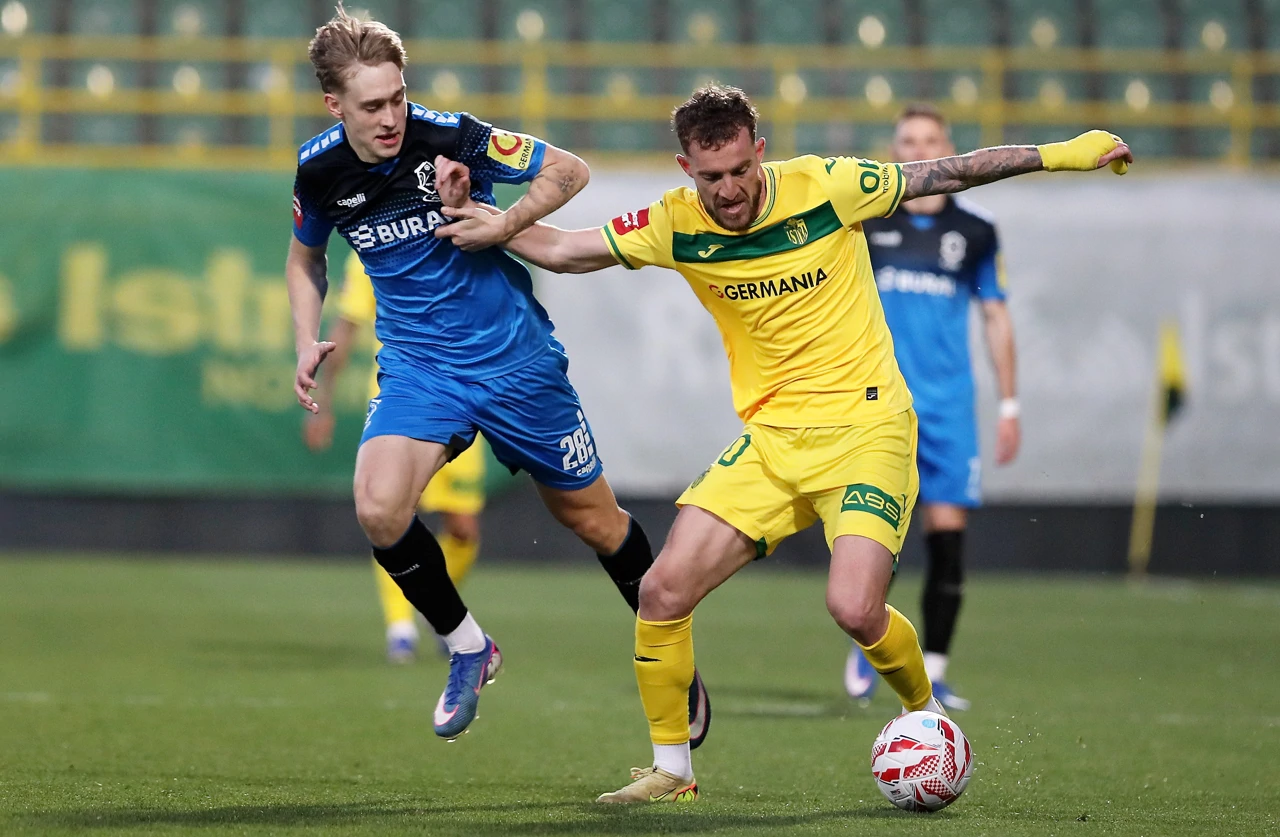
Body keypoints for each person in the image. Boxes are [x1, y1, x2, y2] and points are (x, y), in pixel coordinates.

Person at [437, 85, 1130, 802]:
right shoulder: (675, 223)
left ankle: (926, 715)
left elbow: (947, 174)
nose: (729, 189)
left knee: (854, 607)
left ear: (758, 150)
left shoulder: (827, 186)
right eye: (711, 177)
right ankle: (672, 769)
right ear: (685, 168)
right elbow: (563, 249)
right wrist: (488, 221)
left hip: (868, 429)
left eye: (740, 169)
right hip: (772, 443)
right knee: (662, 589)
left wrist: (1061, 154)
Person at [286, 5, 710, 746]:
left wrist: (502, 221)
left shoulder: (450, 135)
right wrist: (304, 338)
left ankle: (675, 661)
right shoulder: (319, 169)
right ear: (335, 106)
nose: (391, 117)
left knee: (595, 521)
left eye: (397, 97)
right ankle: (467, 646)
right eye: (372, 105)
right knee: (379, 507)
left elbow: (568, 171)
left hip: (515, 362)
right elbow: (305, 257)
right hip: (420, 366)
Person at [843, 104, 1020, 711]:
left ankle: (936, 672)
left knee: (947, 539)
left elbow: (995, 316)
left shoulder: (975, 230)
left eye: (930, 139)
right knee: (870, 535)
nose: (918, 147)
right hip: (877, 405)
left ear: (949, 148)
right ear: (893, 151)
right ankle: (867, 641)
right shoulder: (865, 224)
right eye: (908, 140)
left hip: (947, 407)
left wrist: (1010, 405)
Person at [303, 252, 488, 664]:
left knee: (464, 529)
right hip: (404, 405)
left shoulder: (456, 232)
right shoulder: (369, 248)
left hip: (463, 399)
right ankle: (399, 626)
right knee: (393, 517)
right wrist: (325, 403)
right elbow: (346, 328)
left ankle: (432, 605)